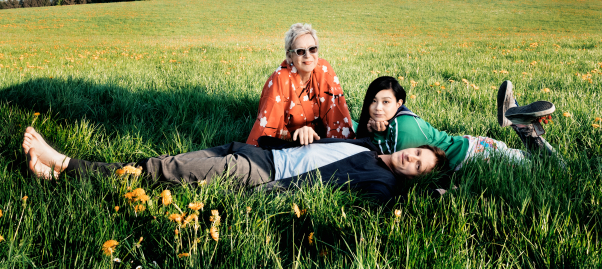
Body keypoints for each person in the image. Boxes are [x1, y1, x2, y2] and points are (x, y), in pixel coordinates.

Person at [22, 127, 448, 204]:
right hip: (260, 154)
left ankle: (64, 163)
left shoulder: (381, 183)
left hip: (265, 176)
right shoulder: (363, 146)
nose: (411, 159)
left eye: (417, 167)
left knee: (166, 172)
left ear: (410, 177)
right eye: (416, 153)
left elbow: (368, 202)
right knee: (166, 165)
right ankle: (60, 175)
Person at [355, 77, 558, 171]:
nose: (378, 108)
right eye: (373, 101)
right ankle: (520, 123)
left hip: (473, 156)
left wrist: (378, 134)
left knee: (553, 170)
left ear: (399, 103)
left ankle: (523, 125)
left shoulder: (403, 128)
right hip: (472, 148)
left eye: (385, 102)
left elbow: (387, 160)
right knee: (540, 162)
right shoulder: (399, 120)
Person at [246, 23, 354, 147]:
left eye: (312, 49)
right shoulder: (281, 78)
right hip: (290, 141)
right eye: (300, 51)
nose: (307, 55)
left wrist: (342, 146)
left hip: (318, 138)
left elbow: (337, 114)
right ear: (289, 56)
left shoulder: (324, 69)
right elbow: (268, 125)